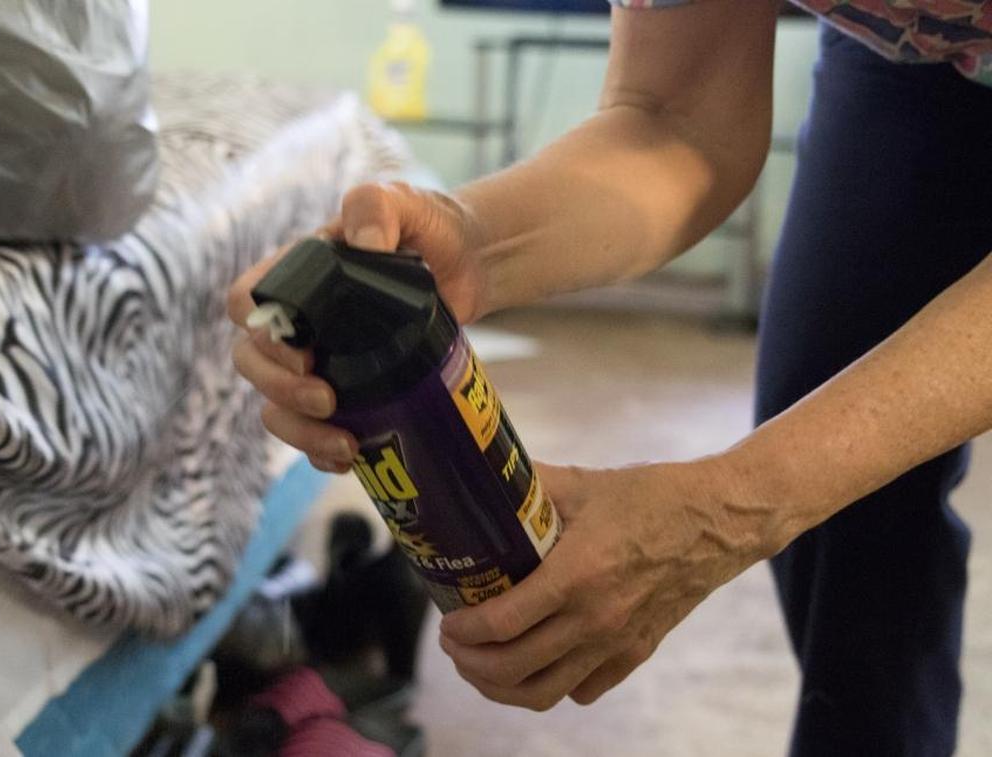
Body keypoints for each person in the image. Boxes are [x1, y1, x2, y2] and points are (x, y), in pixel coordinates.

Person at [229, 1, 992, 753]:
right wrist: (473, 241)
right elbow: (678, 120)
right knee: (848, 499)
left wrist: (731, 504)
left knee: (814, 466)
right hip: (904, 53)